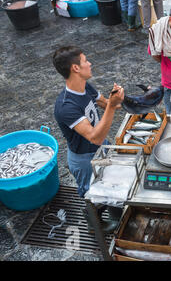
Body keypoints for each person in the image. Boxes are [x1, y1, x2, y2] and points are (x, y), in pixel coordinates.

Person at [53, 46, 125, 232]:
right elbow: (95, 137)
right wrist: (112, 107)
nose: (89, 63)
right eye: (85, 60)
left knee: (110, 184)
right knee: (93, 196)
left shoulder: (86, 87)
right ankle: (95, 225)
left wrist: (115, 99)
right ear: (75, 68)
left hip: (102, 149)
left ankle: (116, 216)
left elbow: (106, 104)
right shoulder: (66, 106)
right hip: (84, 159)